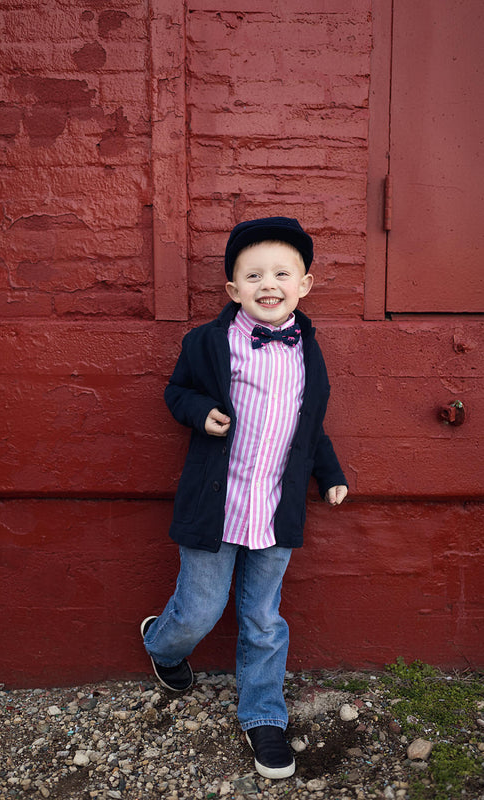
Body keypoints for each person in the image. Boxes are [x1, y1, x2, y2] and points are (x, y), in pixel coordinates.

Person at [141, 216, 348, 780]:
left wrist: (329, 473)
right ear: (233, 289)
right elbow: (176, 391)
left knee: (262, 619)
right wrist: (196, 413)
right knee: (200, 610)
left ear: (304, 283)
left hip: (275, 513)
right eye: (253, 274)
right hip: (217, 506)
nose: (269, 283)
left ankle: (263, 716)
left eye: (282, 272)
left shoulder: (309, 352)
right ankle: (162, 645)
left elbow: (311, 426)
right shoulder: (207, 343)